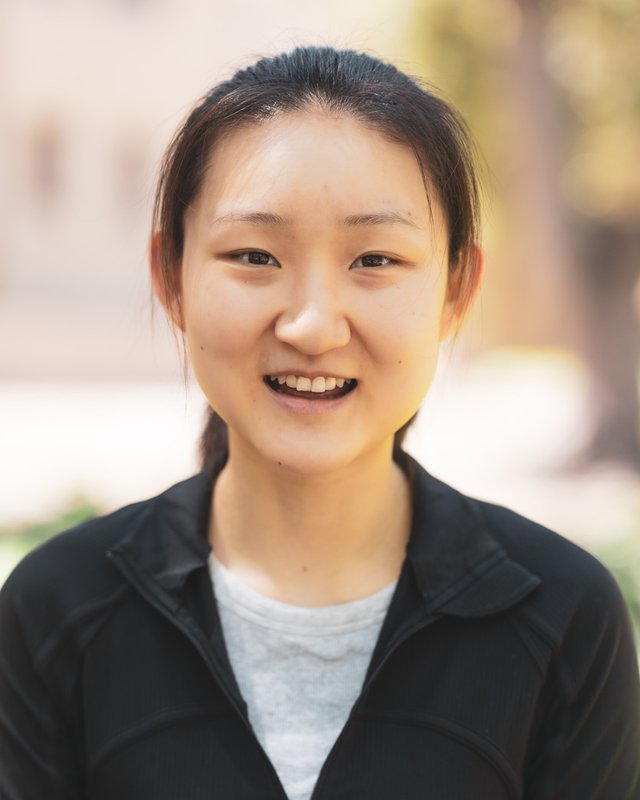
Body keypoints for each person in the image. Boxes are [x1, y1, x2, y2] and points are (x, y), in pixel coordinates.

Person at [1, 46, 638, 800]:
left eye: (373, 259)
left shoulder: (563, 618)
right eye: (254, 255)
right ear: (172, 276)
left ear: (457, 290)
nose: (311, 324)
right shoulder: (56, 610)